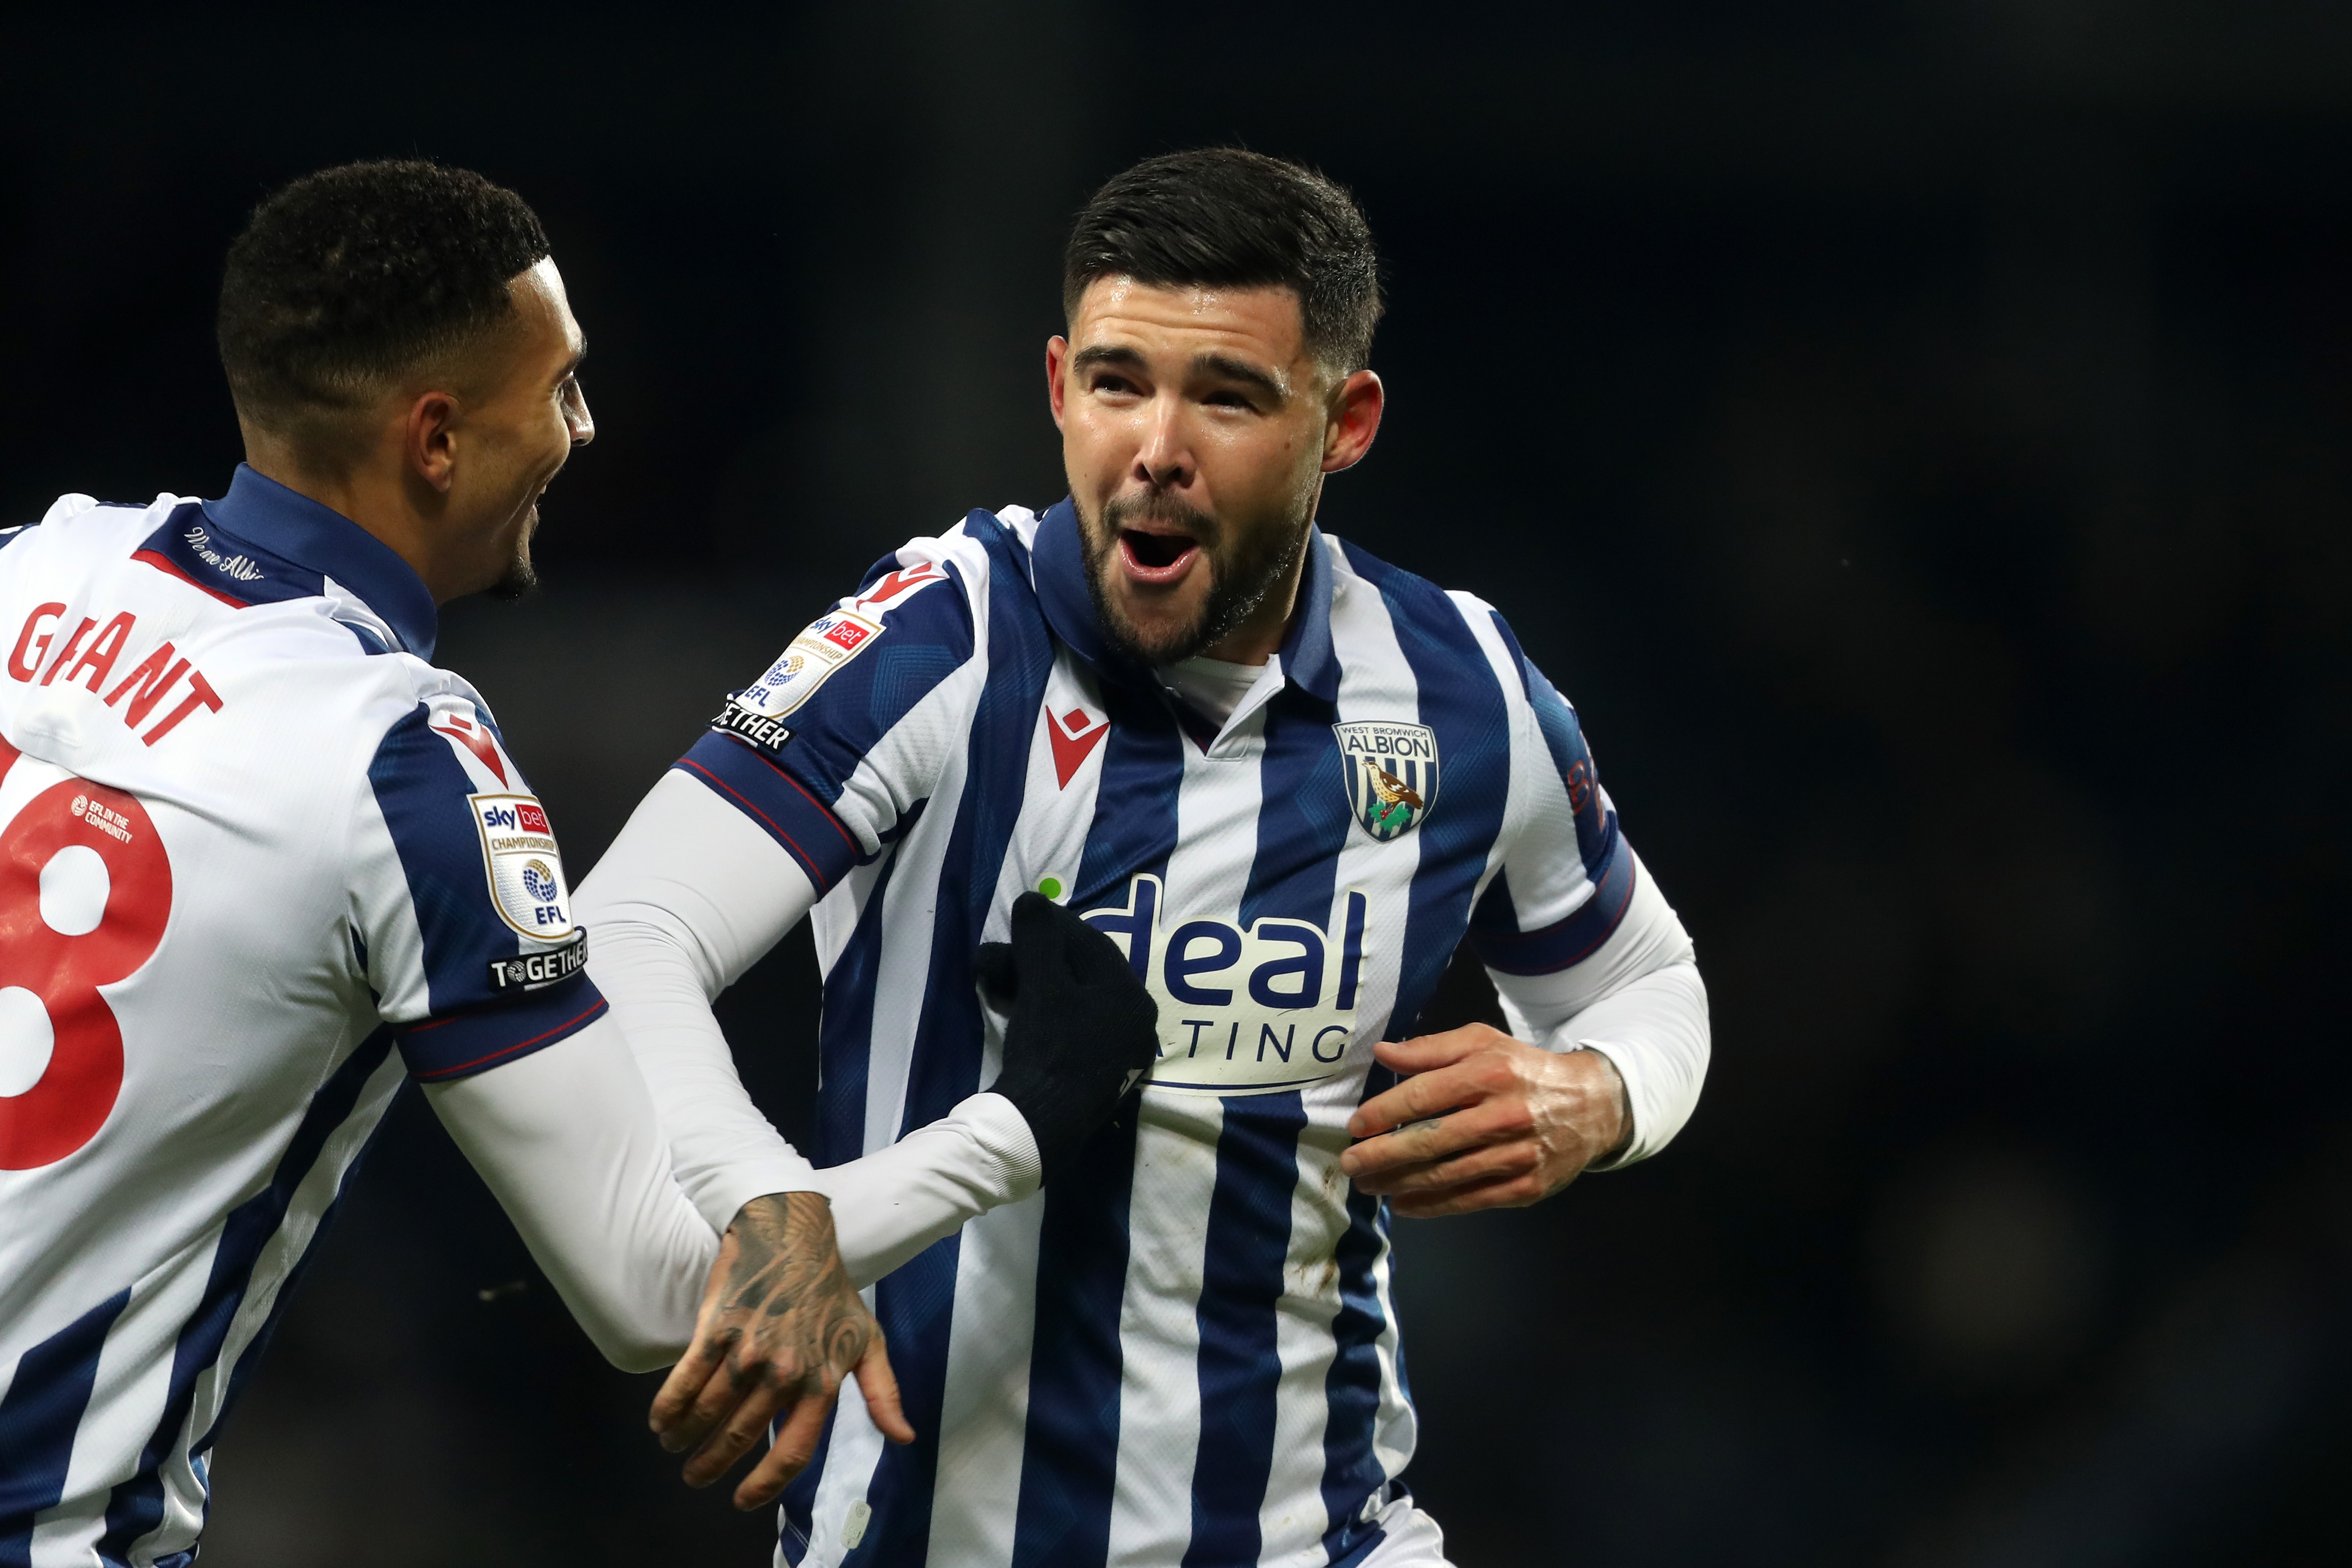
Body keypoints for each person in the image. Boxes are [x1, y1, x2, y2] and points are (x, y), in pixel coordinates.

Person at [576, 148, 1710, 1567]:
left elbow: (1648, 982)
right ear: (1058, 390)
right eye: (1118, 383)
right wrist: (765, 1197)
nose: (1155, 447)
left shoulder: (1459, 689)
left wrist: (1597, 1091)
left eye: (1225, 396)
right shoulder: (945, 640)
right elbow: (623, 929)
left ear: (1342, 421)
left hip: (1320, 1535)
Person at [0, 160, 924, 1565]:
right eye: (559, 388)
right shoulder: (401, 756)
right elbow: (648, 1290)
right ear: (436, 439)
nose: (586, 425)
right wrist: (1027, 1116)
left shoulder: (34, 565)